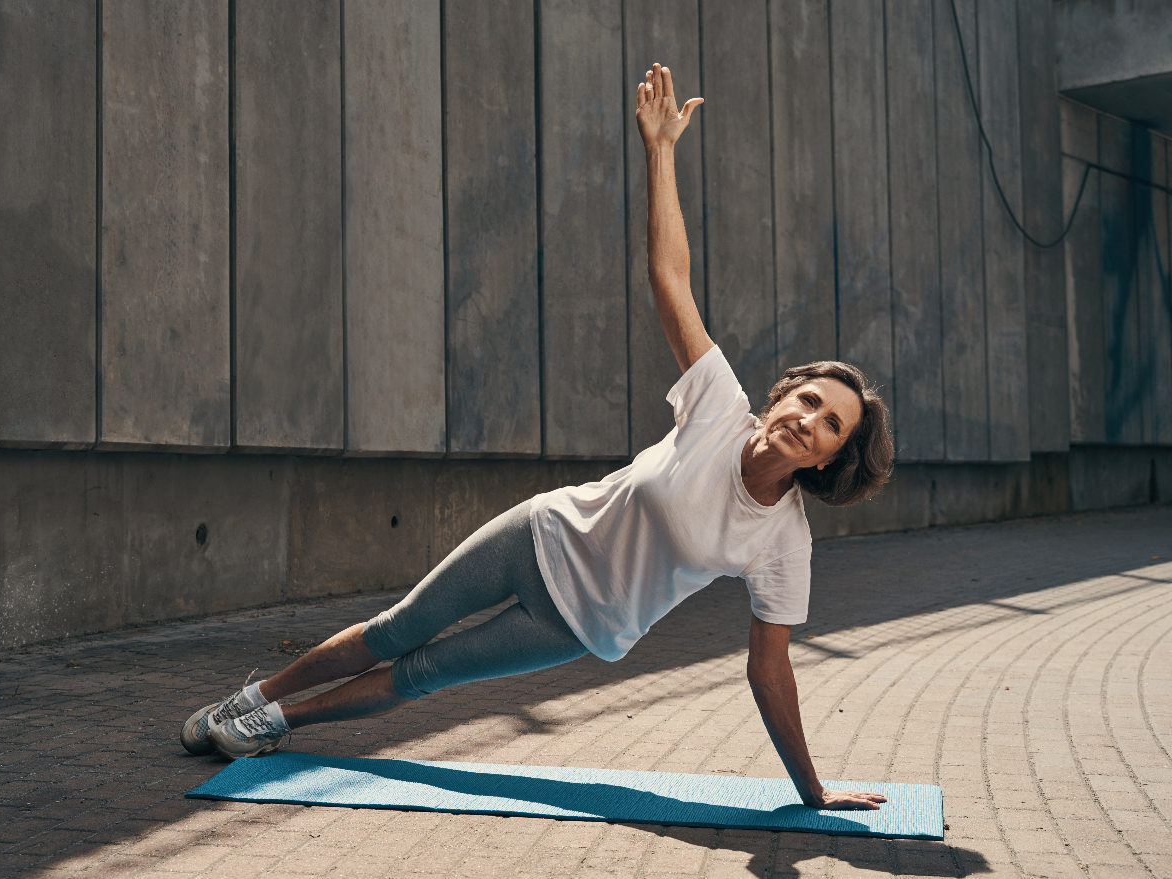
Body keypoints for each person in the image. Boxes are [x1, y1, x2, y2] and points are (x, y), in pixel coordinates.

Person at [181, 64, 894, 811]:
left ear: (827, 458)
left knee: (421, 673)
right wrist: (660, 150)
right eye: (810, 399)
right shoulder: (720, 404)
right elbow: (669, 276)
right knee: (398, 627)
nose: (809, 420)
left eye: (830, 426)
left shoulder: (784, 542)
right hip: (539, 531)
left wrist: (811, 791)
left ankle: (272, 721)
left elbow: (769, 668)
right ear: (784, 393)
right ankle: (250, 694)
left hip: (576, 622)